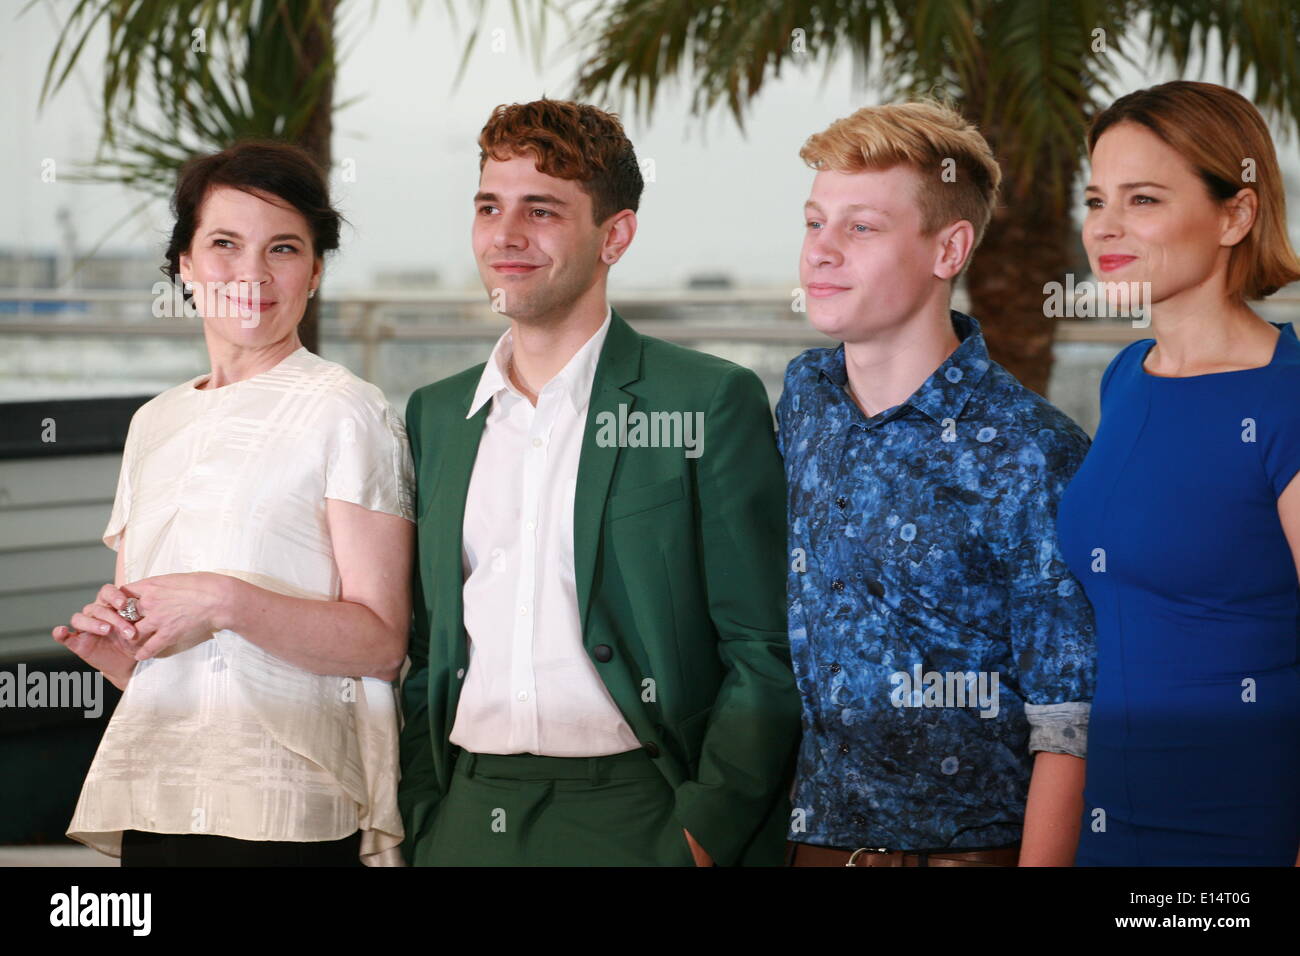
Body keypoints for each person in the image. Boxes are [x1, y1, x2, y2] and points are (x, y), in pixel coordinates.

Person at [398, 98, 800, 866]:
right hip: (466, 810)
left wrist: (702, 833)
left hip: (640, 810)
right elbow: (425, 644)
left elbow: (764, 647)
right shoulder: (438, 415)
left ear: (614, 235)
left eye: (541, 210)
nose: (505, 236)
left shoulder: (705, 400)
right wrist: (424, 814)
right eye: (489, 206)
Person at [52, 140, 414, 867]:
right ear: (184, 263)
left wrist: (225, 599)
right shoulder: (154, 422)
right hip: (158, 791)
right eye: (224, 243)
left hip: (287, 808)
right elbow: (170, 655)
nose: (251, 272)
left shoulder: (348, 410)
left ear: (314, 271)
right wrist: (120, 651)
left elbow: (381, 644)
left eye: (283, 248)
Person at [778, 100, 1097, 867]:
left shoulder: (1032, 451)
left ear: (948, 248)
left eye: (860, 228)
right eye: (815, 222)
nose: (820, 252)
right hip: (813, 846)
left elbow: (1070, 719)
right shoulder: (805, 398)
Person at [1059, 80, 1300, 866]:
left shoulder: (1288, 397)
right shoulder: (1127, 376)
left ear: (1236, 213)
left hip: (1243, 830)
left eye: (1145, 200)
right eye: (1098, 200)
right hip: (1113, 820)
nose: (1106, 228)